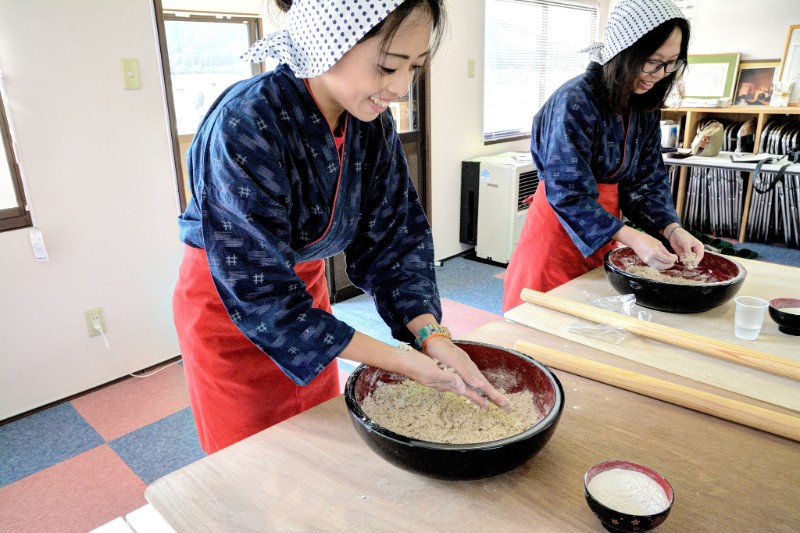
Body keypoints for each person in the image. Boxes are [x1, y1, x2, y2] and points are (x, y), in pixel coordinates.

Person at [173, 0, 508, 454]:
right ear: (327, 40)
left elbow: (394, 239)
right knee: (253, 464)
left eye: (416, 67)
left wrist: (433, 338)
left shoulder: (371, 123)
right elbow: (262, 296)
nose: (401, 87)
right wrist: (402, 361)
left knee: (318, 447)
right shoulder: (246, 122)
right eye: (389, 66)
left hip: (306, 297)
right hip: (232, 307)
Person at [503, 0, 705, 311]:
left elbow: (647, 179)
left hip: (609, 224)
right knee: (543, 316)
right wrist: (631, 237)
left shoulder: (644, 104)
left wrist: (670, 228)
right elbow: (568, 192)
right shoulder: (574, 101)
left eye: (671, 64)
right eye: (653, 61)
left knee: (590, 313)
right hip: (558, 226)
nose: (661, 74)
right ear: (624, 51)